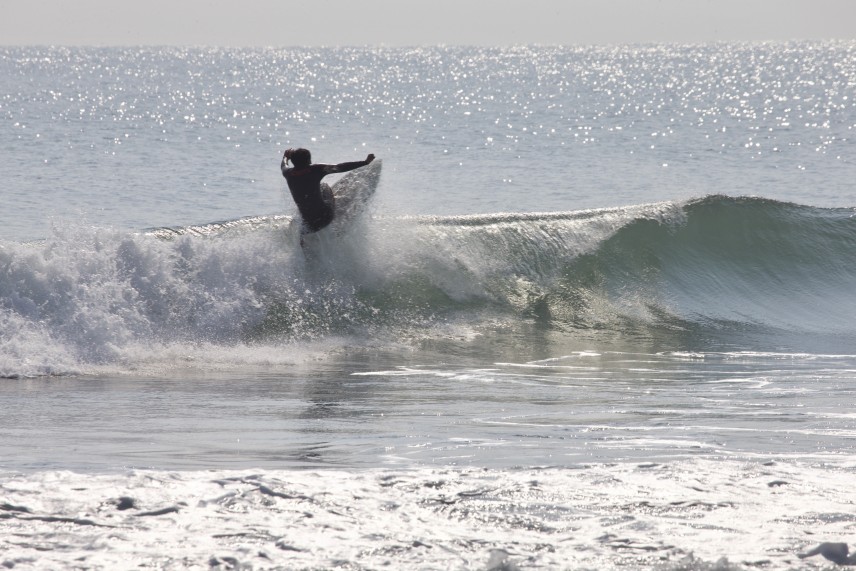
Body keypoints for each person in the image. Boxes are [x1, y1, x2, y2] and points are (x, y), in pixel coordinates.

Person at [281, 148, 375, 240]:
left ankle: (303, 242)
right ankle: (337, 206)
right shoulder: (316, 169)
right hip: (326, 217)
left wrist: (285, 157)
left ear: (293, 161)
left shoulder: (288, 174)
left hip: (310, 226)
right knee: (324, 186)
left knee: (304, 217)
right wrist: (365, 162)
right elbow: (340, 167)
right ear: (309, 160)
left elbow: (283, 165)